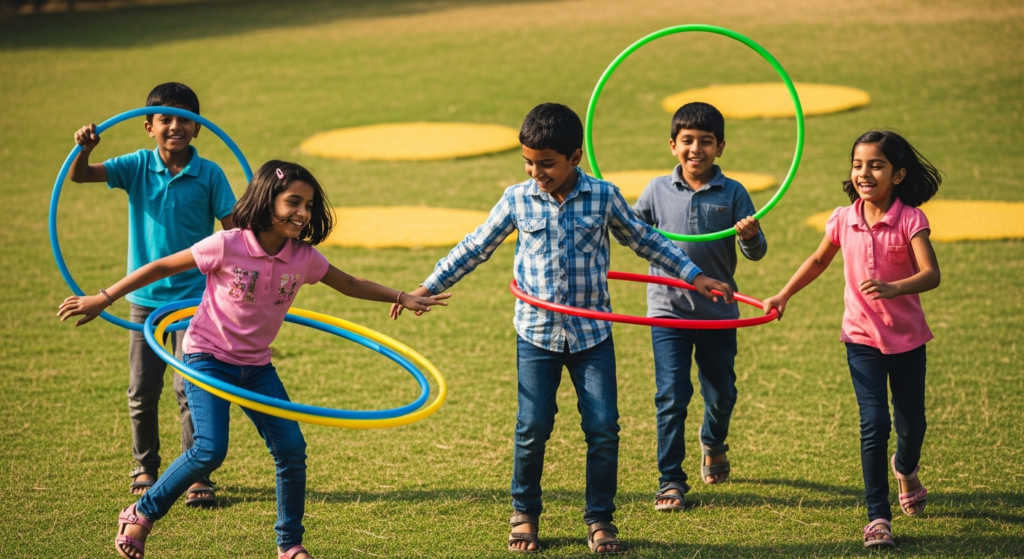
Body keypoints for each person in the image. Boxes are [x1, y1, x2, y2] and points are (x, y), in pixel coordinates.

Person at [58, 161, 449, 559]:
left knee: (292, 449)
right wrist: (103, 297)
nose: (302, 212)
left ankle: (289, 544)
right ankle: (142, 512)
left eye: (309, 205)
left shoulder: (303, 257)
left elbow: (349, 283)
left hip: (256, 366)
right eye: (293, 202)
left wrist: (402, 296)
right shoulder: (227, 244)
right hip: (207, 357)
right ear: (267, 201)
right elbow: (161, 266)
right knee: (209, 450)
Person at [391, 103, 734, 554]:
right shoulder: (517, 198)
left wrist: (694, 275)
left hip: (593, 336)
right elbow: (476, 246)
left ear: (574, 156)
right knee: (532, 427)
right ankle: (524, 513)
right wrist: (427, 286)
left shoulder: (603, 196)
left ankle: (600, 519)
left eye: (547, 163)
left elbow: (646, 241)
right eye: (529, 162)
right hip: (536, 334)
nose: (537, 172)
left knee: (604, 427)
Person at [762, 130, 941, 548]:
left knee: (912, 424)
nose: (864, 172)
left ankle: (906, 467)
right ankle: (878, 517)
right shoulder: (844, 218)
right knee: (874, 423)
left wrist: (897, 288)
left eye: (875, 165)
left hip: (908, 339)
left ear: (898, 175)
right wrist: (784, 293)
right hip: (861, 337)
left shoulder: (912, 219)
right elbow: (819, 259)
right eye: (858, 164)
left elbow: (931, 274)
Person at [70, 82, 236, 506]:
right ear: (148, 127)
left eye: (185, 119)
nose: (175, 126)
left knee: (190, 387)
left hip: (194, 302)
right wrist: (84, 149)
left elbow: (235, 230)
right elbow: (80, 175)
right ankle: (145, 464)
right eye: (166, 119)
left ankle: (196, 471)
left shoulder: (211, 174)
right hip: (143, 300)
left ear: (198, 129)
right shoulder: (137, 166)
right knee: (142, 391)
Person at [631, 102, 767, 512]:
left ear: (720, 147)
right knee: (671, 396)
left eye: (705, 141)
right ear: (673, 145)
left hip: (718, 313)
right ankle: (670, 480)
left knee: (722, 392)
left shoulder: (734, 192)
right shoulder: (656, 190)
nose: (696, 149)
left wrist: (750, 235)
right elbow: (633, 234)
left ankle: (713, 439)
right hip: (667, 310)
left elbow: (757, 252)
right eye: (687, 141)